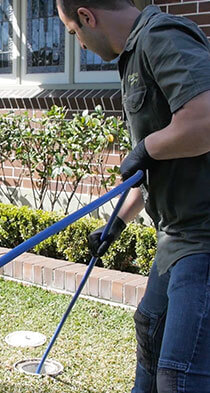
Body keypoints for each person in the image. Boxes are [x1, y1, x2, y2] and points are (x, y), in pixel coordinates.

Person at [57, 1, 210, 392]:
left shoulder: (161, 37)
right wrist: (116, 224)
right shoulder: (134, 57)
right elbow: (156, 169)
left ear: (87, 15)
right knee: (150, 343)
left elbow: (205, 120)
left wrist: (147, 148)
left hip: (203, 239)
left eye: (74, 33)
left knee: (179, 376)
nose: (80, 45)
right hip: (175, 237)